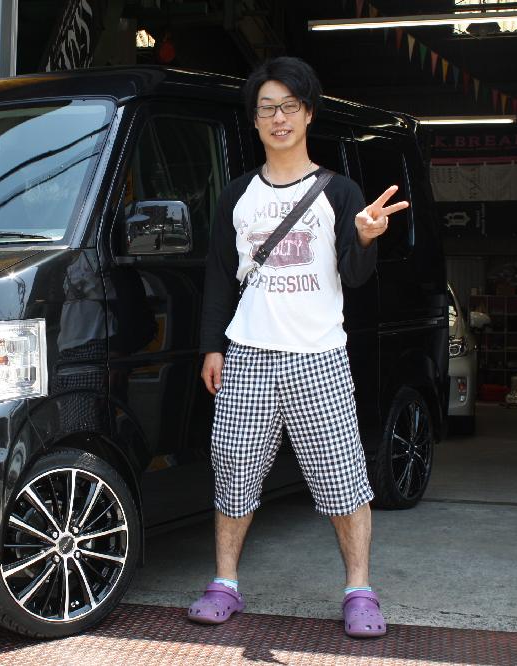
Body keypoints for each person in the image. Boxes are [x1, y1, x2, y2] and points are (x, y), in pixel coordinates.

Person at [186, 56, 409, 638]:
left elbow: (354, 276)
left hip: (319, 355)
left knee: (343, 477)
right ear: (254, 120)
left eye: (289, 106)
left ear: (308, 114)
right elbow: (218, 276)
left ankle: (359, 591)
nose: (279, 118)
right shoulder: (237, 195)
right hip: (248, 354)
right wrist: (212, 346)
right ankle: (224, 584)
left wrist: (365, 237)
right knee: (234, 472)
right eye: (267, 108)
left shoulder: (339, 192)